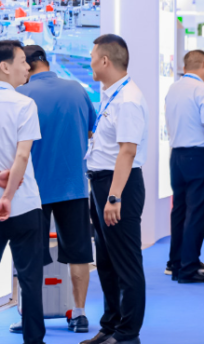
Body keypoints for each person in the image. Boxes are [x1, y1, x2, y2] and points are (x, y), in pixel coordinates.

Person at [12, 46, 95, 335]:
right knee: (79, 253)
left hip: (33, 190)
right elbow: (90, 130)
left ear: (28, 65)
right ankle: (80, 314)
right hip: (74, 186)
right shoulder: (77, 89)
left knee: (30, 257)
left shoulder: (21, 95)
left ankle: (30, 317)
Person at [83, 34, 150, 344]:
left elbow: (127, 151)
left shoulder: (128, 99)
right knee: (107, 262)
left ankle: (127, 334)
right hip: (102, 183)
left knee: (126, 263)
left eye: (92, 57)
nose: (90, 62)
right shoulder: (111, 94)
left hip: (118, 186)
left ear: (105, 60)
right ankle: (110, 325)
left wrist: (114, 196)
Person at [164, 50, 204, 284]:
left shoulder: (173, 88)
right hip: (198, 155)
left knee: (179, 210)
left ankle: (176, 263)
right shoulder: (203, 90)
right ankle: (189, 268)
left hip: (177, 155)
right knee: (197, 212)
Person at [0, 40, 45, 344]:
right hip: (25, 203)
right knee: (30, 280)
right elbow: (22, 155)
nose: (28, 66)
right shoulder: (24, 104)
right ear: (4, 67)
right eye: (21, 61)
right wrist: (7, 196)